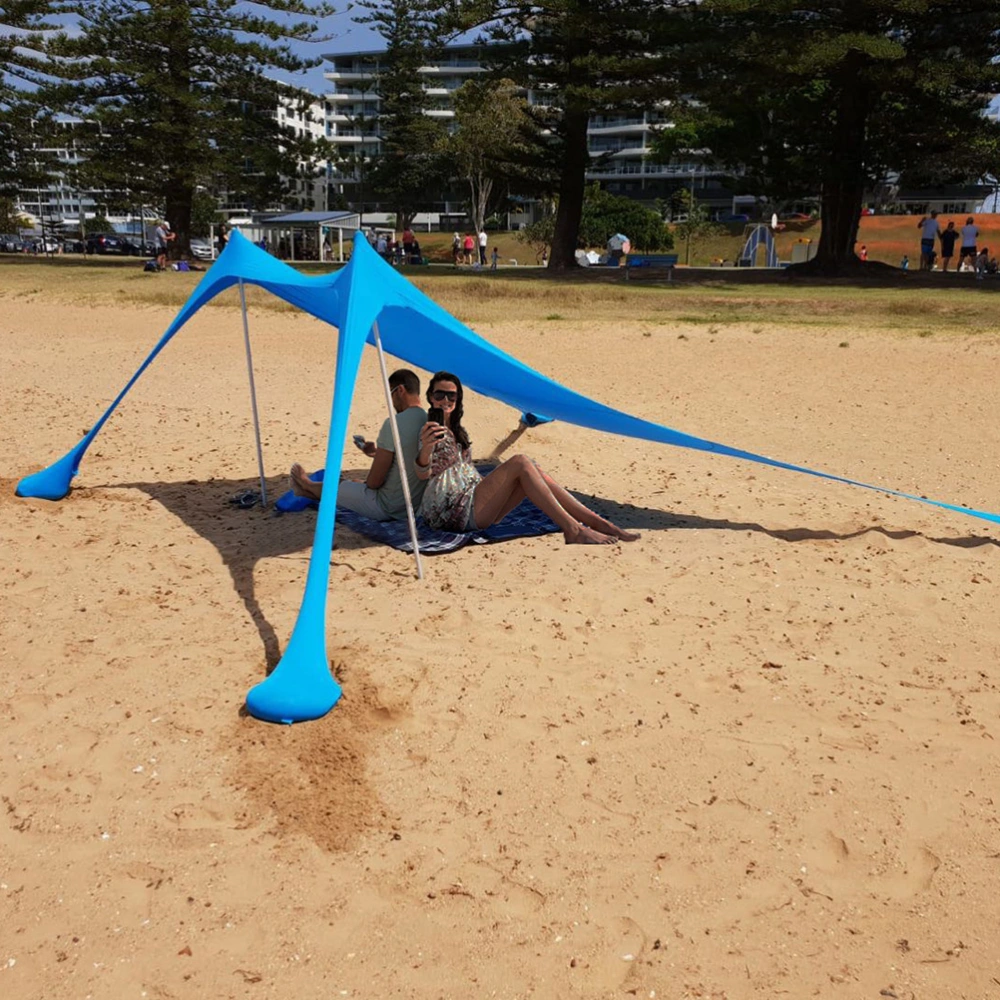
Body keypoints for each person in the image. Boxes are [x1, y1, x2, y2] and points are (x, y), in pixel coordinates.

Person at [414, 372, 640, 545]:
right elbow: (423, 473)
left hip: (476, 503)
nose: (445, 400)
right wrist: (426, 451)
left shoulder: (456, 430)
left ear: (458, 399)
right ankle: (573, 528)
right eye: (439, 395)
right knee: (521, 461)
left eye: (451, 395)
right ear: (430, 398)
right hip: (453, 511)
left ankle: (597, 522)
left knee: (531, 468)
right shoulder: (428, 430)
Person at [290, 369, 428, 521]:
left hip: (389, 507)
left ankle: (306, 485)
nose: (390, 400)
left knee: (340, 486)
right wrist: (376, 453)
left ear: (400, 390)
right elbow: (408, 456)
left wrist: (366, 482)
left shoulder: (394, 424)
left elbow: (374, 482)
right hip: (414, 506)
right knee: (355, 483)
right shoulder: (429, 421)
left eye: (391, 393)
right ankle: (305, 491)